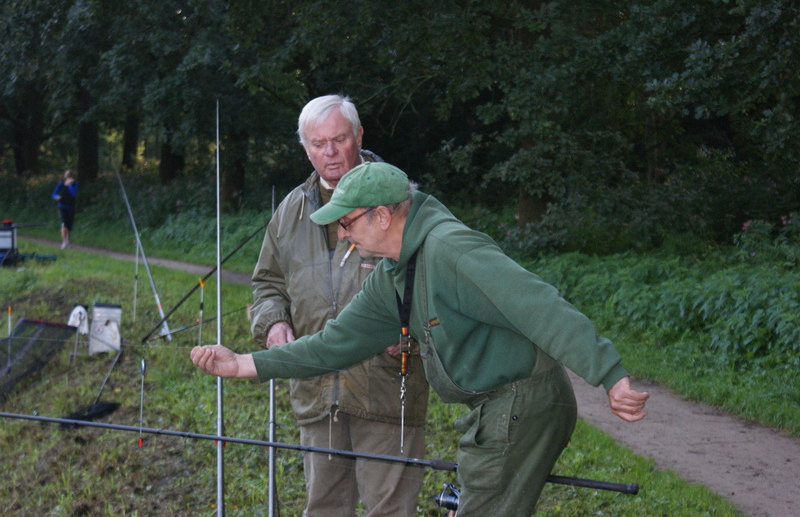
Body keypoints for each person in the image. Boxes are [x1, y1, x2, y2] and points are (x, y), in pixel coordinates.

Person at [192, 162, 650, 515]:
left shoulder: (451, 249)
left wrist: (609, 375)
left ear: (382, 215)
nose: (343, 235)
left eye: (347, 223)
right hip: (494, 405)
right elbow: (333, 344)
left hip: (522, 401)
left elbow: (540, 305)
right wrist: (243, 363)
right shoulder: (393, 273)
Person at [248, 96, 428, 516]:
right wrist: (274, 324)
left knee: (390, 510)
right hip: (315, 391)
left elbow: (436, 286)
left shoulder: (401, 200)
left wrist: (414, 333)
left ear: (359, 136)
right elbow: (267, 284)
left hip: (387, 391)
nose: (330, 153)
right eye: (318, 143)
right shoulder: (291, 210)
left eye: (339, 139)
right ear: (305, 149)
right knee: (324, 507)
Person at [51, 170, 78, 249]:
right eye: (67, 177)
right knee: (64, 224)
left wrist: (69, 185)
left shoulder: (75, 184)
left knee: (69, 225)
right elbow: (53, 194)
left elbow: (73, 193)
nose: (69, 178)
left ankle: (68, 239)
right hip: (62, 206)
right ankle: (64, 242)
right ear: (65, 177)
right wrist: (56, 197)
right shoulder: (60, 184)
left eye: (70, 177)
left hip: (71, 207)